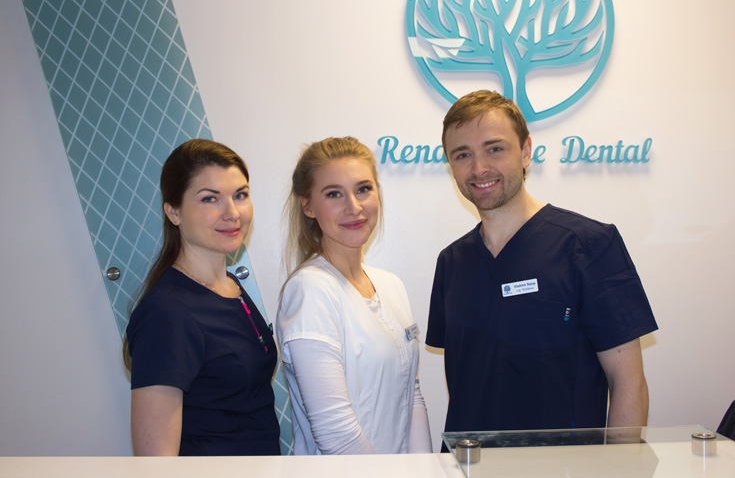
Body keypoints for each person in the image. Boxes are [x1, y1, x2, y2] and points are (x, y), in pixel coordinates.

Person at [427, 90, 659, 436]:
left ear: (525, 151)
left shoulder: (589, 245)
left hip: (562, 462)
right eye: (463, 155)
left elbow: (629, 383)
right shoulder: (452, 263)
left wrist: (619, 463)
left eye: (495, 149)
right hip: (468, 460)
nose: (479, 168)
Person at [276, 136, 433, 455]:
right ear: (308, 206)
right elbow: (335, 433)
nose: (354, 207)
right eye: (334, 194)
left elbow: (411, 395)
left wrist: (423, 469)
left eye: (363, 189)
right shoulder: (310, 290)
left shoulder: (391, 285)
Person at [124, 139, 280, 456]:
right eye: (210, 199)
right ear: (174, 212)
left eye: (240, 195)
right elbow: (155, 465)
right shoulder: (167, 313)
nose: (232, 213)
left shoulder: (230, 286)